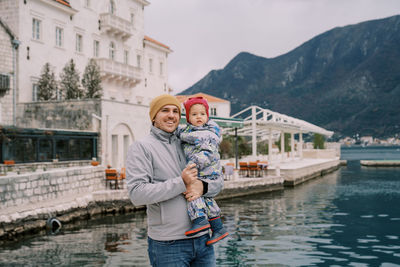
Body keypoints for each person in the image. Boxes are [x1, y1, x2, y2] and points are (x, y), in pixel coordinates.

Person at [126, 94, 223, 266]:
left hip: (203, 239)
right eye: (165, 110)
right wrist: (181, 183)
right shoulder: (141, 147)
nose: (171, 115)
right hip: (168, 244)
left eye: (176, 111)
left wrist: (203, 187)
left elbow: (218, 182)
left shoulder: (190, 140)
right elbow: (137, 194)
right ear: (154, 116)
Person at [178, 96, 229, 245]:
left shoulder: (205, 135)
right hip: (209, 173)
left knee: (193, 193)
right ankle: (218, 228)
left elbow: (206, 154)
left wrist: (192, 165)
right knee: (207, 199)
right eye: (194, 114)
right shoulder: (190, 132)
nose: (199, 117)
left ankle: (200, 220)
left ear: (207, 116)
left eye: (202, 114)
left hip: (204, 170)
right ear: (188, 117)